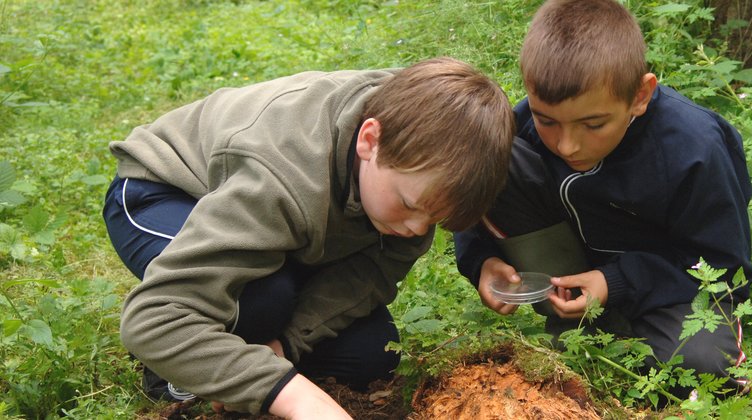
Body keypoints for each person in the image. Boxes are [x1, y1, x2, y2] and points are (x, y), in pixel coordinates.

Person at [103, 57, 514, 418]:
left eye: (436, 220)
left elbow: (367, 275)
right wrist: (296, 398)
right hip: (164, 190)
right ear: (370, 140)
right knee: (261, 301)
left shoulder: (418, 163)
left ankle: (228, 350)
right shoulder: (283, 176)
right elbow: (152, 319)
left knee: (371, 353)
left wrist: (285, 346)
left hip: (279, 224)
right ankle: (173, 374)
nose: (416, 229)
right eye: (408, 206)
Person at [453, 0, 752, 399]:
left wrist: (616, 283)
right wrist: (482, 262)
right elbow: (469, 202)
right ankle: (574, 322)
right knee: (496, 153)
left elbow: (726, 270)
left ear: (640, 95)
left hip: (667, 285)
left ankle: (614, 330)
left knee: (701, 367)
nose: (567, 144)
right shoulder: (522, 132)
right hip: (568, 271)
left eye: (593, 124)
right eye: (548, 120)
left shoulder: (694, 150)